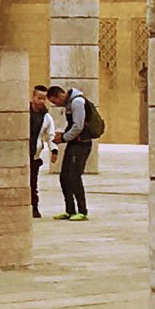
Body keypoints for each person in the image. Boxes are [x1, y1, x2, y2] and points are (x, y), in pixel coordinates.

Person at [47, 85, 91, 221]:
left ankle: (82, 211)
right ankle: (70, 210)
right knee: (64, 177)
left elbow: (78, 126)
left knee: (74, 177)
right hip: (74, 143)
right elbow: (72, 125)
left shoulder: (77, 102)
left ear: (59, 96)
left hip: (81, 144)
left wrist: (64, 138)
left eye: (55, 102)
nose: (57, 105)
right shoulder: (70, 104)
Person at [29, 84, 57, 219]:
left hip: (34, 155)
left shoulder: (46, 117)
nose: (41, 101)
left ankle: (34, 207)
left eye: (44, 98)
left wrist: (54, 150)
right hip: (21, 154)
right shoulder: (23, 113)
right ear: (33, 97)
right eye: (39, 98)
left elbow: (50, 135)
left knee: (33, 183)